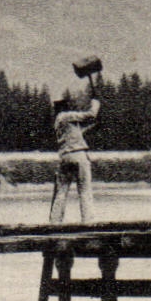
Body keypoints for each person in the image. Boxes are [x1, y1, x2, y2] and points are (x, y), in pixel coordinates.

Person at [49, 90, 101, 224]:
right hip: (79, 155)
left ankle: (55, 222)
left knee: (61, 191)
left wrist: (93, 124)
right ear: (65, 108)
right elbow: (91, 114)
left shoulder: (58, 122)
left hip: (65, 156)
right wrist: (95, 103)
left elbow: (77, 131)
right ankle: (88, 221)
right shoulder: (66, 115)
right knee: (84, 190)